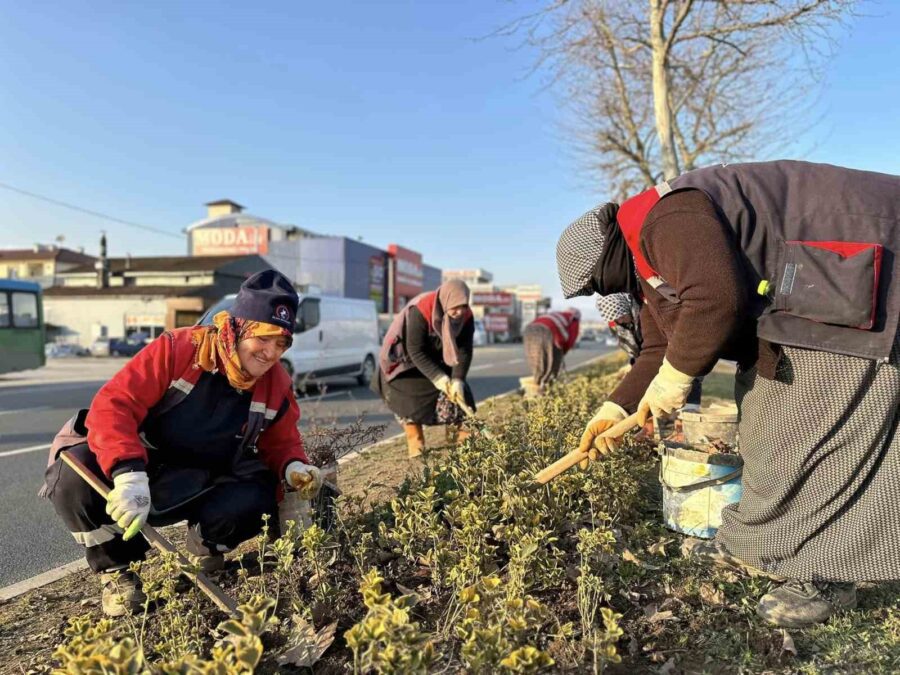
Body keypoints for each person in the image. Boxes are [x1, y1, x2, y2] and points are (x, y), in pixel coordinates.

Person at [556, 160, 900, 628]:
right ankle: (755, 543)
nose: (603, 290)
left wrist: (676, 379)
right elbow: (659, 345)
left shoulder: (665, 220)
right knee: (761, 427)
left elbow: (716, 299)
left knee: (813, 441)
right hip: (808, 297)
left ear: (607, 255)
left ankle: (824, 576)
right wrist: (614, 408)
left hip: (852, 274)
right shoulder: (648, 261)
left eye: (598, 282)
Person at [40, 270, 323, 616]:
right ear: (237, 328)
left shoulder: (275, 382)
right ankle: (117, 572)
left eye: (281, 344)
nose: (270, 353)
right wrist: (128, 473)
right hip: (143, 463)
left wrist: (293, 466)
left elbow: (282, 440)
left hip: (206, 477)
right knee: (74, 477)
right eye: (263, 339)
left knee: (261, 491)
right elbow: (114, 405)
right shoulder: (180, 349)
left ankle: (207, 551)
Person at [373, 279, 476, 457]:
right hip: (405, 362)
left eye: (463, 306)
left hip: (438, 359)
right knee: (409, 400)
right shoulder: (421, 310)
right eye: (455, 307)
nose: (460, 312)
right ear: (446, 300)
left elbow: (464, 350)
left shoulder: (467, 317)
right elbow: (415, 350)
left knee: (459, 396)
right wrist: (439, 378)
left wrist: (457, 379)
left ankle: (461, 439)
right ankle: (416, 441)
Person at [597, 292, 702, 417]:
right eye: (616, 318)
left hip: (675, 351)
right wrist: (633, 365)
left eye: (622, 315)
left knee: (686, 379)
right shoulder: (619, 324)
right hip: (651, 357)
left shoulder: (644, 313)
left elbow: (655, 348)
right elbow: (637, 347)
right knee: (650, 389)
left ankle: (686, 417)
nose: (620, 320)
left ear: (626, 306)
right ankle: (652, 418)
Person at [522, 308, 581, 390]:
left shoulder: (557, 314)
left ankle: (535, 385)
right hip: (547, 331)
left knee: (536, 360)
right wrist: (563, 352)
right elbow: (571, 338)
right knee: (552, 362)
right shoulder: (574, 318)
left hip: (529, 329)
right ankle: (546, 388)